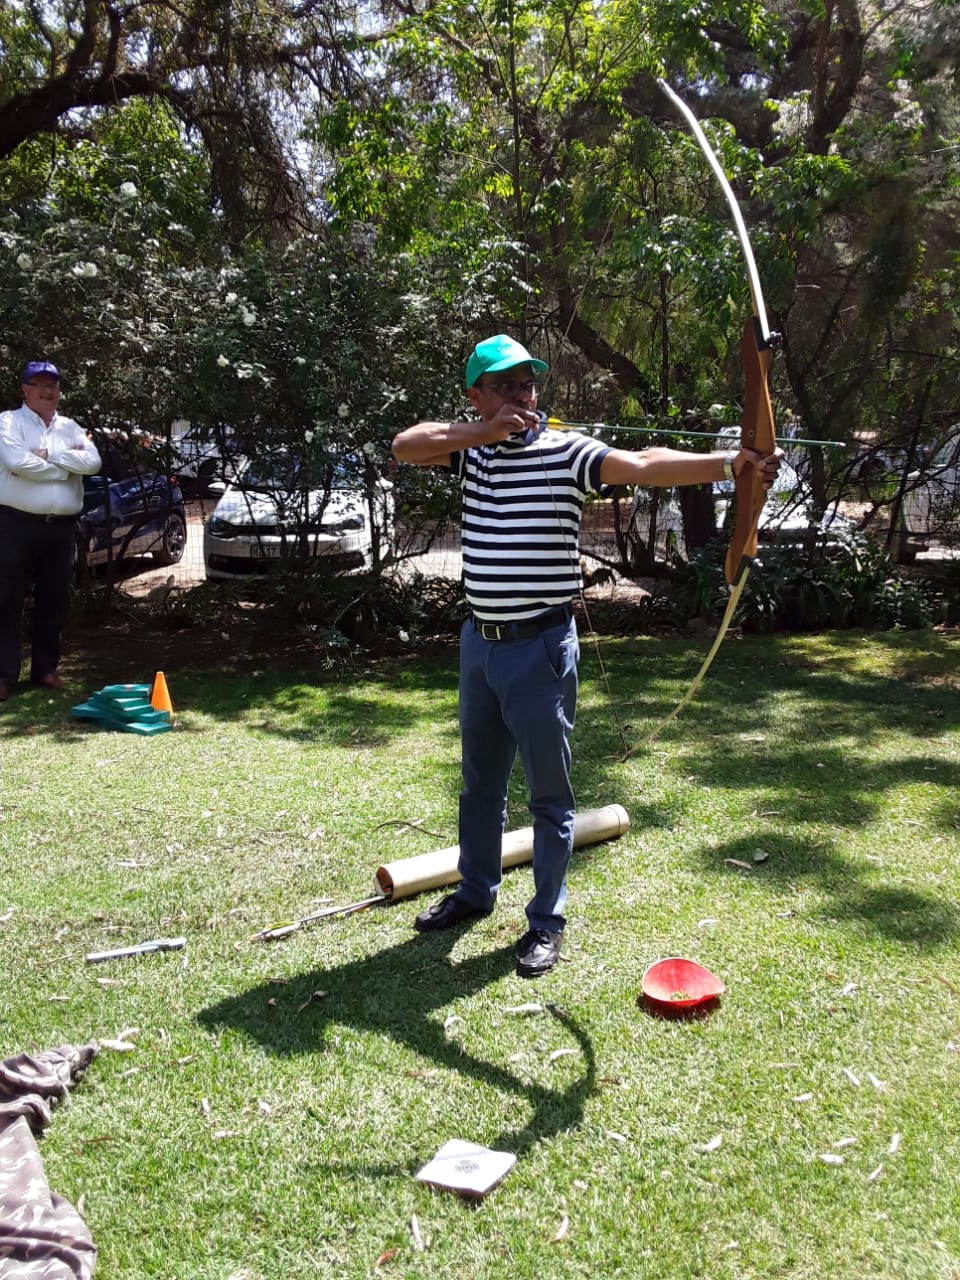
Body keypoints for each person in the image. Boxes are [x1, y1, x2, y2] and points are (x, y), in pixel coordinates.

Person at [391, 334, 783, 977]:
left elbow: (644, 463)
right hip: (479, 645)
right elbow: (406, 445)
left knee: (549, 795)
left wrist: (731, 464)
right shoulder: (470, 452)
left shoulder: (565, 451)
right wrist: (483, 432)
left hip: (539, 649)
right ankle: (475, 891)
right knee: (480, 785)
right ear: (476, 396)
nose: (522, 396)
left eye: (528, 384)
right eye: (505, 385)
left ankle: (546, 921)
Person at [0, 361, 101, 701]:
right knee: (6, 598)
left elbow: (92, 462)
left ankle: (44, 670)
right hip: (16, 524)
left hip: (61, 529)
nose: (48, 391)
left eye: (53, 385)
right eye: (40, 384)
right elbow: (18, 463)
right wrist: (65, 468)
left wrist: (50, 454)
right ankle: (3, 675)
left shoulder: (70, 427)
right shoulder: (8, 422)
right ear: (25, 389)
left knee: (54, 599)